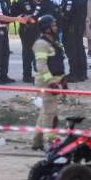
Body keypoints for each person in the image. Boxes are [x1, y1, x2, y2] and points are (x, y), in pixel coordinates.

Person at [31, 14, 66, 151]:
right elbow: (41, 65)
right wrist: (51, 81)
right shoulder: (41, 44)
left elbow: (57, 62)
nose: (56, 27)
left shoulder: (53, 41)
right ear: (46, 28)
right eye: (53, 25)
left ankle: (37, 141)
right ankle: (51, 140)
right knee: (50, 113)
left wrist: (62, 79)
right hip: (45, 83)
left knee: (45, 112)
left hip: (54, 81)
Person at [11, 0, 39, 83]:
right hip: (27, 30)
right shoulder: (24, 1)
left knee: (33, 52)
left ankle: (31, 73)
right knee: (28, 53)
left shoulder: (32, 0)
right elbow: (29, 15)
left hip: (33, 29)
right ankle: (27, 75)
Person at [60, 0, 86, 82]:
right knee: (79, 51)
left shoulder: (70, 1)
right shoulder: (80, 0)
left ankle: (73, 74)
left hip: (71, 29)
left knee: (72, 52)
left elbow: (67, 15)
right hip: (79, 28)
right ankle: (82, 74)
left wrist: (60, 13)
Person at [65, 0, 88, 81]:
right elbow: (65, 2)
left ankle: (80, 73)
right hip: (74, 24)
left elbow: (78, 5)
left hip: (76, 24)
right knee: (77, 48)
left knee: (76, 49)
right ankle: (79, 72)